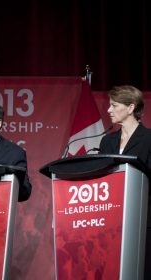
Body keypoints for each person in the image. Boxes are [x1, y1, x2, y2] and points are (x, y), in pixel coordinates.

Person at [98, 85, 151, 279]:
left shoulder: (149, 139)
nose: (108, 110)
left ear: (131, 108)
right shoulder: (107, 142)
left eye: (114, 105)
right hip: (110, 220)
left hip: (142, 220)